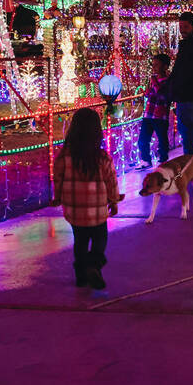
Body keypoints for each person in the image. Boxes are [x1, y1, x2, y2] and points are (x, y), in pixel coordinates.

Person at [51, 107, 120, 289]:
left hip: (75, 211)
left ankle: (81, 277)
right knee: (100, 241)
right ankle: (94, 265)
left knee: (80, 243)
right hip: (97, 211)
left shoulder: (64, 157)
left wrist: (58, 197)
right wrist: (113, 200)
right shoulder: (102, 158)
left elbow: (58, 178)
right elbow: (111, 181)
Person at [169, 12, 193, 159]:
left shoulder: (190, 45)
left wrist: (175, 87)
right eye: (180, 27)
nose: (182, 30)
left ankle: (190, 164)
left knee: (187, 132)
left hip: (187, 95)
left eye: (185, 27)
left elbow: (184, 70)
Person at [137, 53, 171, 168]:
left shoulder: (168, 81)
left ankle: (163, 160)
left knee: (162, 139)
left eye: (157, 65)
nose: (154, 67)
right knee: (143, 138)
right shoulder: (154, 80)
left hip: (160, 116)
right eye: (153, 65)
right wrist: (146, 92)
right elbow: (152, 93)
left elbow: (161, 93)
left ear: (165, 66)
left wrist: (153, 81)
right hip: (149, 114)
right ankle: (146, 160)